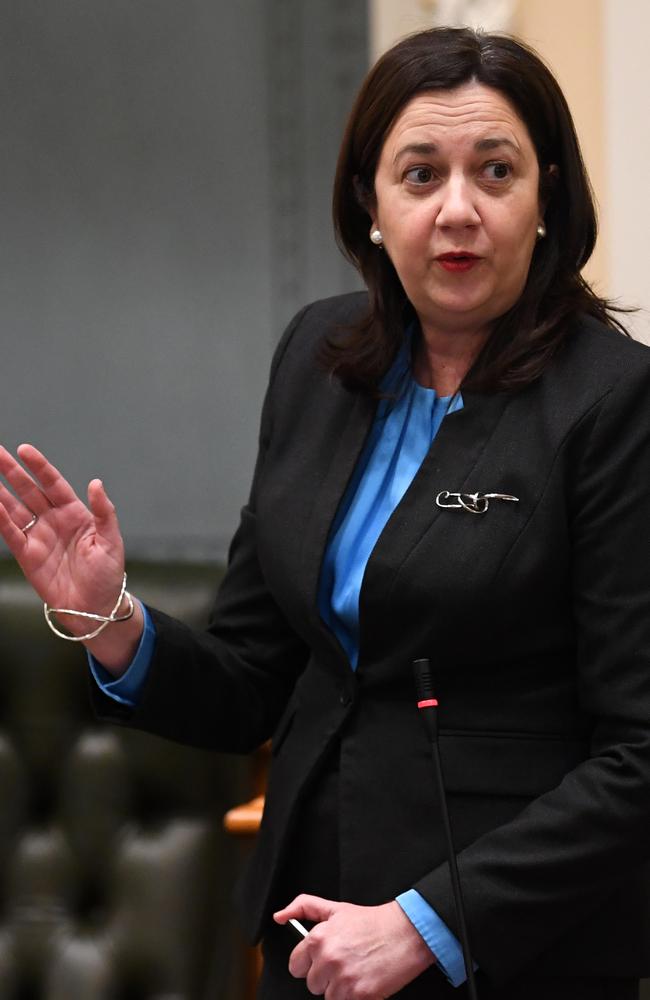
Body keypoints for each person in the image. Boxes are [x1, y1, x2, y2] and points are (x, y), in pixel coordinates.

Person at [0, 25, 649, 1000]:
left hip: (510, 947)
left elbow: (638, 751)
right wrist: (110, 616)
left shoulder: (612, 402)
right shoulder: (319, 360)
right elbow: (254, 681)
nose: (457, 208)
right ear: (370, 204)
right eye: (419, 174)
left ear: (545, 200)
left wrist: (426, 924)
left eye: (496, 172)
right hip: (314, 924)